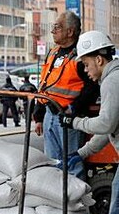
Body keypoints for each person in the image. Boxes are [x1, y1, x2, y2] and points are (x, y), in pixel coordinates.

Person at [60, 30, 119, 214]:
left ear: (99, 58)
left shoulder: (112, 79)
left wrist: (74, 122)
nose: (86, 70)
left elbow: (105, 123)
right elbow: (109, 131)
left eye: (85, 63)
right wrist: (81, 153)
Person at [33, 11, 100, 180]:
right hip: (49, 114)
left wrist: (74, 109)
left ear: (70, 32)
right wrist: (39, 115)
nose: (53, 31)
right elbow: (45, 84)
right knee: (52, 164)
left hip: (68, 118)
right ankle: (57, 204)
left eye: (57, 27)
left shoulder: (81, 57)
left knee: (72, 164)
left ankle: (75, 204)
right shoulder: (53, 52)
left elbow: (91, 88)